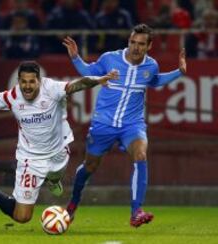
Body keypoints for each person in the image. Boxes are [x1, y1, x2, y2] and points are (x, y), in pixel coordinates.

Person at [0, 61, 118, 223]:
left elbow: (78, 85)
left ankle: (53, 179)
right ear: (18, 81)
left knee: (55, 176)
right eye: (23, 82)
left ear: (39, 81)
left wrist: (97, 81)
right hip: (31, 160)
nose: (27, 86)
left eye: (31, 82)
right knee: (22, 217)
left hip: (58, 151)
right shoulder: (12, 96)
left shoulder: (51, 88)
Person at [62, 23, 187, 227]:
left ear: (149, 46)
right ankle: (73, 203)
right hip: (103, 124)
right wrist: (76, 57)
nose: (135, 47)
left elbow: (154, 81)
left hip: (132, 125)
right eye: (132, 42)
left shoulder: (151, 65)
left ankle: (136, 211)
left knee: (141, 154)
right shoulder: (110, 58)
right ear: (128, 42)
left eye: (140, 44)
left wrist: (178, 72)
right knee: (90, 166)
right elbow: (88, 72)